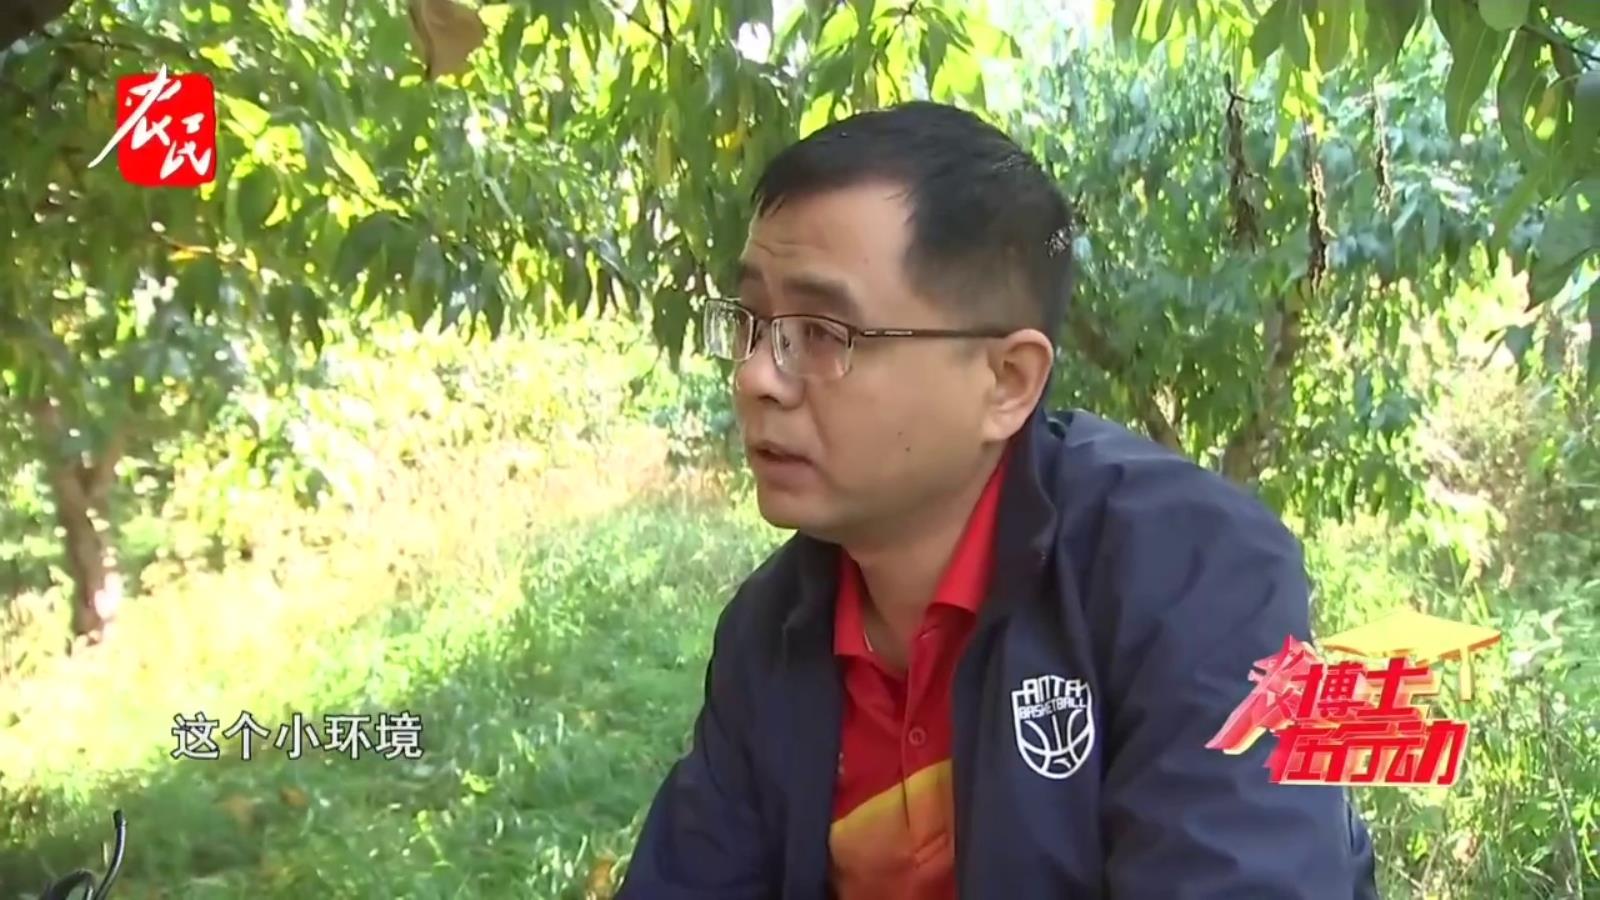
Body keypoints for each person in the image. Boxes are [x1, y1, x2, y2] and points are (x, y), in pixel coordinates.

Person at [617, 101, 1379, 900]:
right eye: (751, 322)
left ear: (1007, 382)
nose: (754, 377)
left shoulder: (1199, 575)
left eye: (821, 332)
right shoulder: (771, 629)